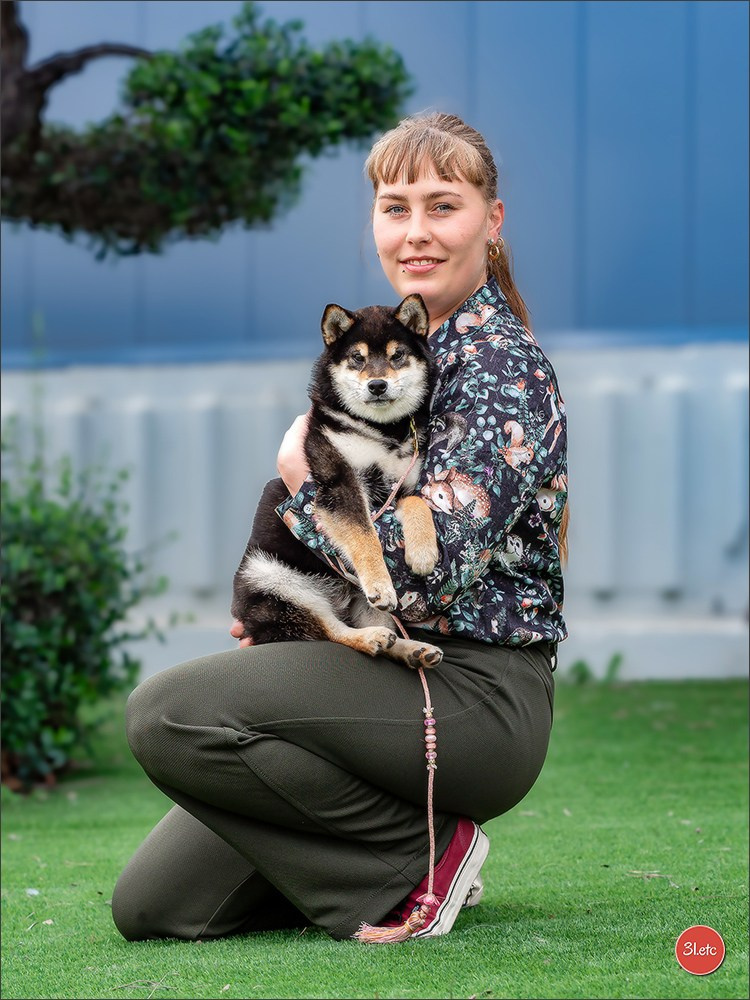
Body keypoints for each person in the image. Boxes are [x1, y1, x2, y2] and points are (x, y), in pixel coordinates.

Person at [112, 112, 568, 944]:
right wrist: (286, 624)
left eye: (444, 205)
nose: (416, 232)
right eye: (395, 208)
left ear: (492, 220)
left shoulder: (500, 366)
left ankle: (418, 857)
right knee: (156, 907)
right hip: (368, 662)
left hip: (471, 692)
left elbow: (431, 571)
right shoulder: (380, 349)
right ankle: (388, 844)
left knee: (168, 713)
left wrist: (301, 484)